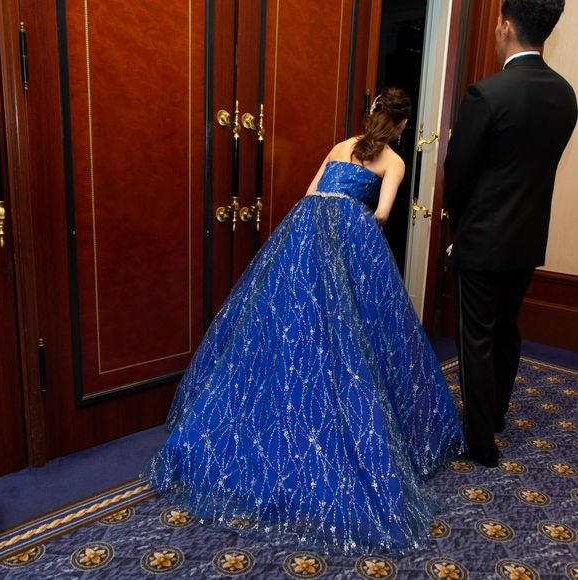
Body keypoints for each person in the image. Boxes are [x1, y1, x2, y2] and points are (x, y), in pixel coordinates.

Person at [145, 88, 465, 556]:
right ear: (401, 125)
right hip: (351, 237)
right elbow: (381, 213)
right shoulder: (395, 161)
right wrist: (352, 224)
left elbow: (311, 192)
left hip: (304, 233)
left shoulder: (341, 145)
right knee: (354, 332)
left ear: (371, 113)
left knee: (283, 321)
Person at [444, 0, 577, 468]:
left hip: (483, 239)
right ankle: (496, 414)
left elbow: (457, 174)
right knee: (506, 329)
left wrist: (460, 226)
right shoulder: (565, 95)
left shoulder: (487, 93)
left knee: (476, 339)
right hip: (527, 239)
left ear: (504, 26)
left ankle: (481, 440)